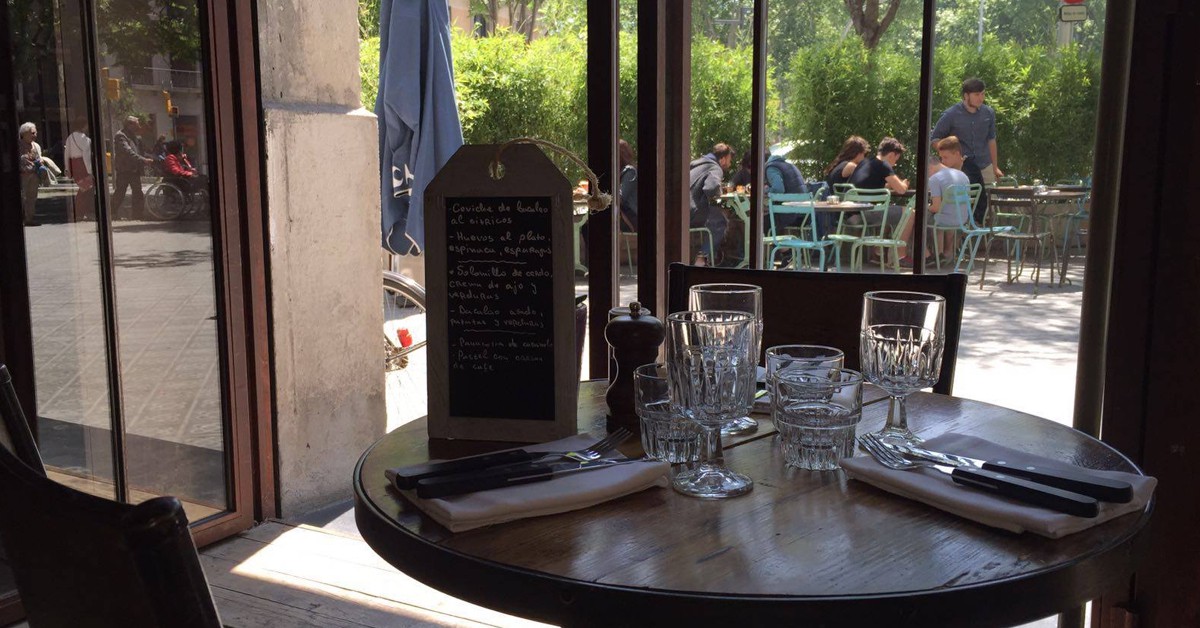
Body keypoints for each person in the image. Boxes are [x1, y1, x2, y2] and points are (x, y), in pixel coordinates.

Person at [931, 77, 1003, 224]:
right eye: (976, 94)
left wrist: (995, 167)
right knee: (964, 207)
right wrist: (951, 155)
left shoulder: (988, 113)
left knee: (989, 209)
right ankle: (964, 236)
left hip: (985, 165)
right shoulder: (951, 114)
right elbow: (934, 139)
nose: (981, 98)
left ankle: (984, 237)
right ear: (966, 95)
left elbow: (991, 140)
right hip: (963, 169)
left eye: (983, 94)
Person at [847, 137, 909, 235]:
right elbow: (901, 190)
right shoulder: (883, 165)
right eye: (896, 160)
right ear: (891, 155)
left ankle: (880, 243)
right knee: (909, 213)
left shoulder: (865, 162)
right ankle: (900, 245)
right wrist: (904, 184)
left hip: (850, 211)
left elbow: (869, 185)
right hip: (865, 213)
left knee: (889, 213)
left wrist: (889, 185)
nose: (894, 164)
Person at [688, 142, 735, 264]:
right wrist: (724, 204)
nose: (730, 164)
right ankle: (701, 260)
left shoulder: (696, 164)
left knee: (715, 216)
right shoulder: (715, 168)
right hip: (692, 212)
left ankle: (705, 255)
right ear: (723, 159)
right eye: (729, 160)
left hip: (681, 209)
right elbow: (711, 188)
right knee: (720, 223)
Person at [111, 115, 155, 220]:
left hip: (134, 169)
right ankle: (111, 213)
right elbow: (128, 152)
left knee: (138, 192)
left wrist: (151, 157)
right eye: (137, 124)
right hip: (124, 169)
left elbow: (139, 151)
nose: (139, 126)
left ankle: (137, 215)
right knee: (120, 192)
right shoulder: (120, 136)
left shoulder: (134, 136)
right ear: (130, 125)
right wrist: (143, 160)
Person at [64, 116, 95, 221]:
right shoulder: (84, 138)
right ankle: (81, 211)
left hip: (74, 165)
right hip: (82, 165)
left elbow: (66, 154)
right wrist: (90, 171)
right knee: (85, 189)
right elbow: (86, 156)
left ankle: (80, 212)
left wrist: (67, 168)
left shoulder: (70, 137)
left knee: (84, 188)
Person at [17, 122, 42, 226]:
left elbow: (39, 158)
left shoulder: (36, 146)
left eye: (35, 133)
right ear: (24, 133)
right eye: (32, 133)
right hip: (22, 175)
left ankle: (29, 219)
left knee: (32, 198)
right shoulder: (17, 145)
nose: (35, 135)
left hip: (34, 175)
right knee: (22, 197)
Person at [617, 139, 638, 230]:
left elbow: (620, 198)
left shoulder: (630, 172)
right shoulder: (618, 172)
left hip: (629, 217)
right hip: (620, 215)